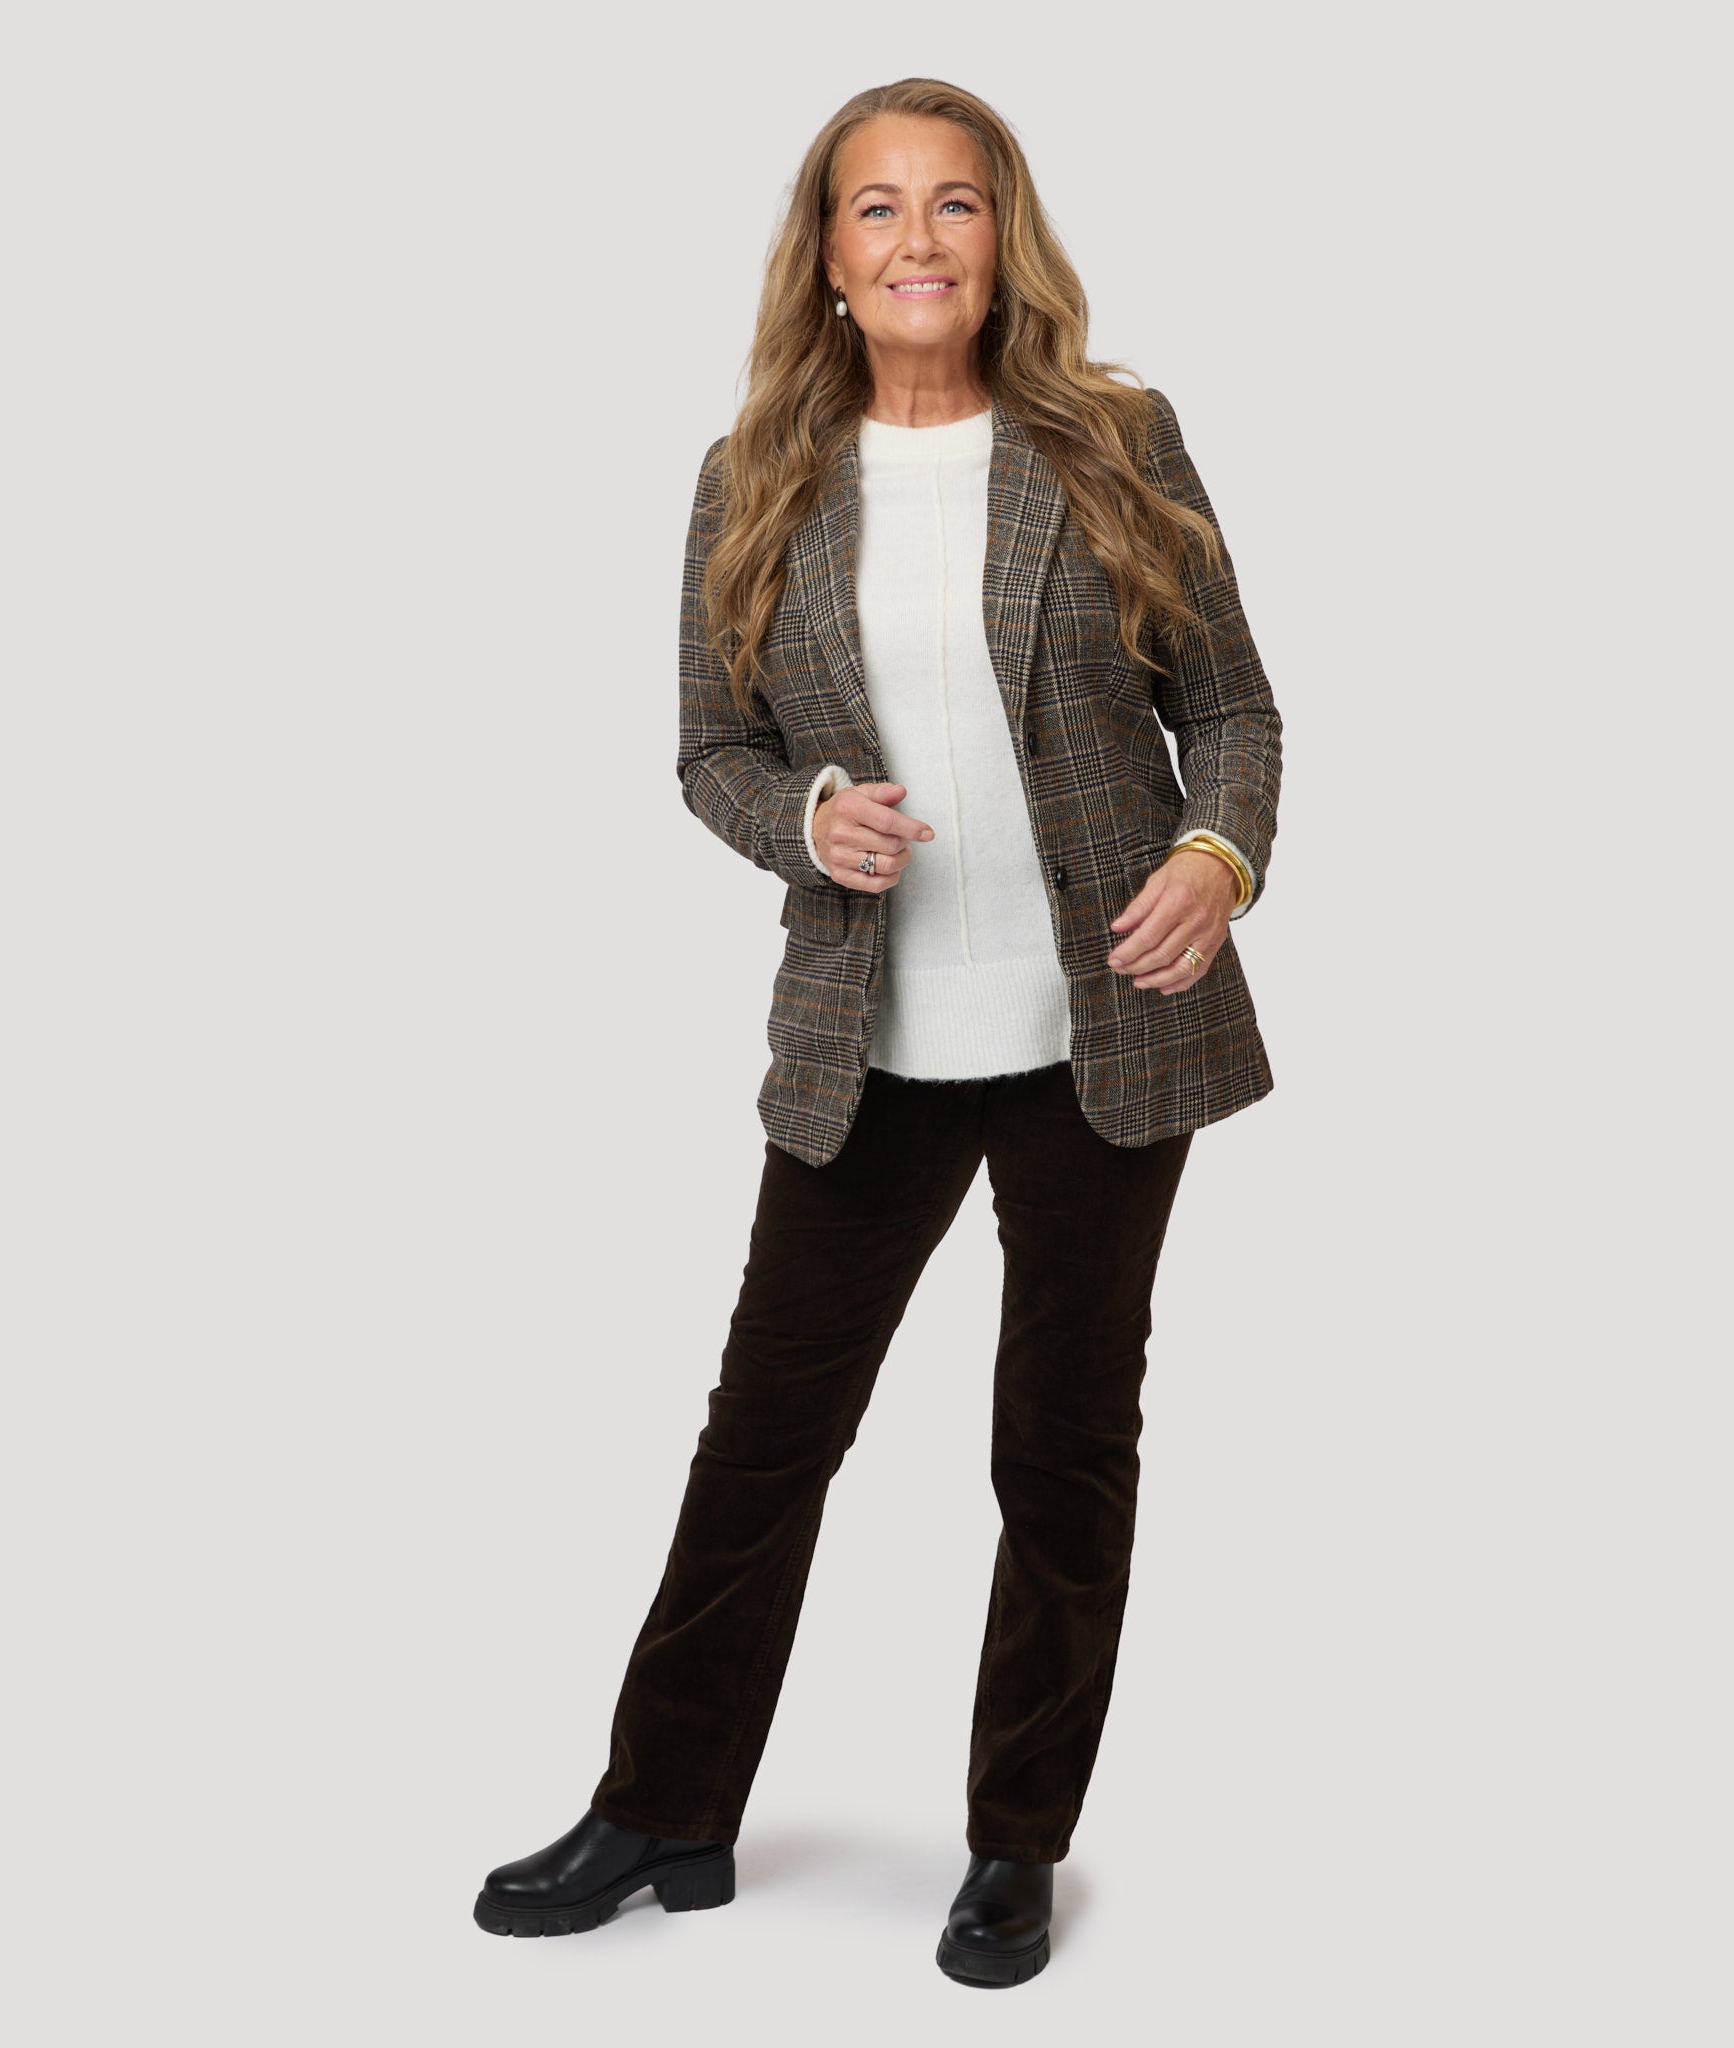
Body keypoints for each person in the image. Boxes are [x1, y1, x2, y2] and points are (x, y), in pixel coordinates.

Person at [472, 75, 1283, 1990]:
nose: (920, 240)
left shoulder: (1118, 441)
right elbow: (711, 750)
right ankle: (664, 1806)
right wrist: (806, 814)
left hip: (1106, 1031)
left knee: (1063, 1446)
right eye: (877, 208)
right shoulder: (753, 471)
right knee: (763, 1437)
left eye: (956, 203)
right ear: (827, 258)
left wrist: (1216, 854)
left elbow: (1233, 707)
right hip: (868, 1037)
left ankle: (1016, 1844)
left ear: (1005, 238)